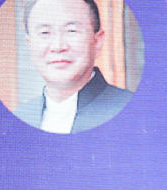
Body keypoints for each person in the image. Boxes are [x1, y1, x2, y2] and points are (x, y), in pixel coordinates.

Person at [13, 0, 133, 133]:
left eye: (71, 31)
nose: (58, 46)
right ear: (30, 44)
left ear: (97, 42)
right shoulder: (18, 118)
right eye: (45, 33)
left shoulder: (133, 112)